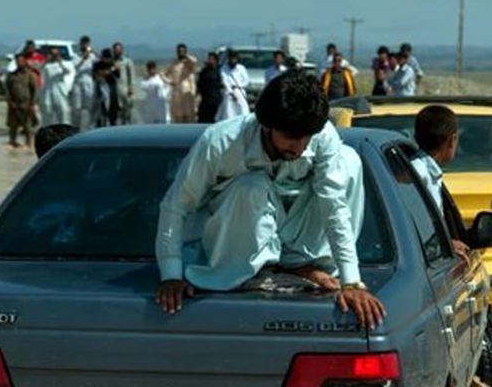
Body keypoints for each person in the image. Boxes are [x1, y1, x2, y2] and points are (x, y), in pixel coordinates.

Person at [154, 70, 386, 329]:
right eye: (290, 138)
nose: (299, 147)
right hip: (234, 241)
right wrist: (170, 275)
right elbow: (176, 206)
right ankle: (257, 270)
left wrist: (351, 282)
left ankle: (300, 266)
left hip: (300, 233)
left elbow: (334, 208)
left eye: (306, 138)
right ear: (266, 125)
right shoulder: (220, 143)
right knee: (252, 185)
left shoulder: (322, 137)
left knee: (349, 161)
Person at [411, 105, 470, 254]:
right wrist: (444, 245)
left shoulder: (424, 171)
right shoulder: (418, 174)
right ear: (452, 140)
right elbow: (416, 227)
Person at [4, 59, 38, 149]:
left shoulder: (30, 75)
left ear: (25, 63)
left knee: (27, 126)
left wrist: (32, 104)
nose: (20, 64)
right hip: (14, 104)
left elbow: (34, 90)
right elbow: (7, 90)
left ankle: (28, 143)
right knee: (13, 126)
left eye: (22, 62)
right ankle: (13, 142)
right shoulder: (11, 76)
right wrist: (10, 102)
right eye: (18, 62)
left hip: (26, 104)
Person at [38, 46, 74, 126]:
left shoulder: (64, 63)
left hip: (60, 91)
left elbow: (68, 71)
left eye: (56, 54)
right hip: (48, 91)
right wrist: (46, 61)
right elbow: (39, 71)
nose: (54, 56)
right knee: (47, 111)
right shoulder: (47, 66)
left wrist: (60, 62)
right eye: (52, 54)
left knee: (62, 111)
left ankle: (64, 128)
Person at [70, 36, 97, 130]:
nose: (85, 46)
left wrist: (94, 52)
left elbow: (99, 64)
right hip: (78, 81)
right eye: (83, 44)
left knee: (89, 107)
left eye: (86, 44)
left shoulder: (92, 57)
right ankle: (75, 127)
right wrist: (83, 58)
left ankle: (88, 127)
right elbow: (74, 67)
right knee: (76, 107)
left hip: (89, 82)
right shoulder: (75, 56)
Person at [167, 43, 198, 123]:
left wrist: (186, 56)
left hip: (187, 91)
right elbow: (164, 74)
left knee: (189, 116)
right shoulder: (174, 63)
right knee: (178, 117)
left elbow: (194, 61)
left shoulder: (188, 62)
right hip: (177, 92)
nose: (180, 53)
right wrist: (169, 82)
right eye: (179, 51)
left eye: (182, 51)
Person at [216, 50, 249, 121]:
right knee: (229, 109)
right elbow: (225, 81)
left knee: (243, 108)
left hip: (240, 90)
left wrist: (238, 86)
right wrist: (231, 92)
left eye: (234, 58)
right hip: (229, 92)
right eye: (231, 58)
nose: (233, 60)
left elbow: (246, 81)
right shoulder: (224, 68)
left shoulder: (241, 68)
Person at [112, 42, 136, 125]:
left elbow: (132, 76)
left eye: (118, 49)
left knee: (127, 112)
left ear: (122, 50)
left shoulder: (127, 61)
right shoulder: (111, 61)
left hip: (125, 90)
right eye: (115, 50)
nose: (117, 51)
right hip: (114, 91)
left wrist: (131, 87)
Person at [196, 52, 223, 123]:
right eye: (209, 59)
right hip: (205, 99)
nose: (210, 61)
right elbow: (199, 84)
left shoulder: (220, 71)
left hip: (216, 99)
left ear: (216, 60)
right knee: (202, 118)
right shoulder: (204, 71)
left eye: (211, 59)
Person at [92, 61, 119, 128]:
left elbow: (117, 75)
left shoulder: (108, 84)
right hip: (99, 98)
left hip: (107, 95)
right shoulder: (98, 83)